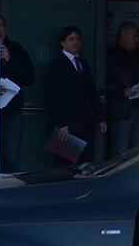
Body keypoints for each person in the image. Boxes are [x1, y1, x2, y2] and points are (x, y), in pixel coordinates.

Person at [0, 13, 34, 173]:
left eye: (0, 26)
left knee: (11, 157)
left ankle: (10, 192)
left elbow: (29, 77)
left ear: (5, 28)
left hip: (12, 113)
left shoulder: (17, 49)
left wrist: (10, 59)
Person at [45, 26, 105, 163]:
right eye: (71, 39)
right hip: (67, 125)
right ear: (63, 42)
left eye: (77, 39)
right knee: (66, 165)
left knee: (85, 163)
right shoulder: (57, 65)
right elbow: (55, 96)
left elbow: (91, 92)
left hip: (84, 123)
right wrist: (62, 124)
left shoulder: (83, 63)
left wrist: (100, 117)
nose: (75, 42)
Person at [106, 21, 139, 155]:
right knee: (120, 152)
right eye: (135, 36)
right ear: (123, 36)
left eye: (138, 37)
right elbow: (102, 85)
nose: (137, 40)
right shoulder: (110, 56)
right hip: (121, 111)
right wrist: (121, 92)